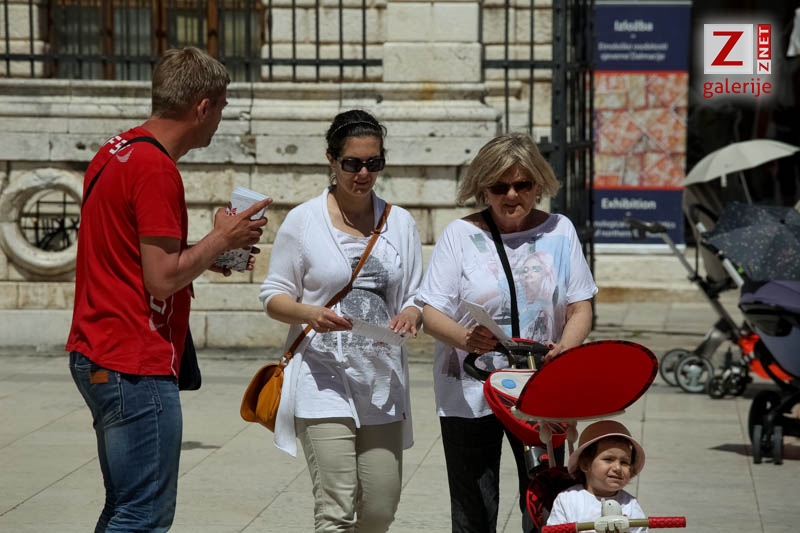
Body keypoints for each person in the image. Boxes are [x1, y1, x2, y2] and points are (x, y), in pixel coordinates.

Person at [66, 47, 271, 532]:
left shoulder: (117, 149)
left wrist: (207, 253)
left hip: (99, 349)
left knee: (124, 506)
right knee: (144, 515)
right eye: (221, 108)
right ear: (202, 107)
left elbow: (133, 255)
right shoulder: (156, 169)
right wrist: (221, 238)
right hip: (133, 360)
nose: (220, 119)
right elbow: (160, 279)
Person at [416, 132, 597, 533]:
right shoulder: (460, 235)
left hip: (540, 390)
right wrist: (465, 338)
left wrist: (566, 347)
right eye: (499, 186)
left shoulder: (560, 231)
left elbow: (580, 306)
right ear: (483, 188)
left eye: (522, 184)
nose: (512, 195)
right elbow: (430, 313)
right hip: (471, 392)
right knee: (473, 509)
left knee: (544, 502)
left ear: (538, 184)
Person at [259, 109, 423, 532]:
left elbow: (416, 294)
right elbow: (273, 296)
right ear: (331, 160)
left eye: (373, 163)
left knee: (381, 508)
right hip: (322, 378)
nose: (363, 173)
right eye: (352, 163)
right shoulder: (304, 221)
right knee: (336, 509)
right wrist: (310, 313)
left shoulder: (400, 222)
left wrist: (412, 312)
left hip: (382, 383)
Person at [546, 420, 647, 532]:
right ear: (585, 464)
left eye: (624, 462)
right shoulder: (567, 500)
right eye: (608, 459)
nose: (617, 468)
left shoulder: (630, 505)